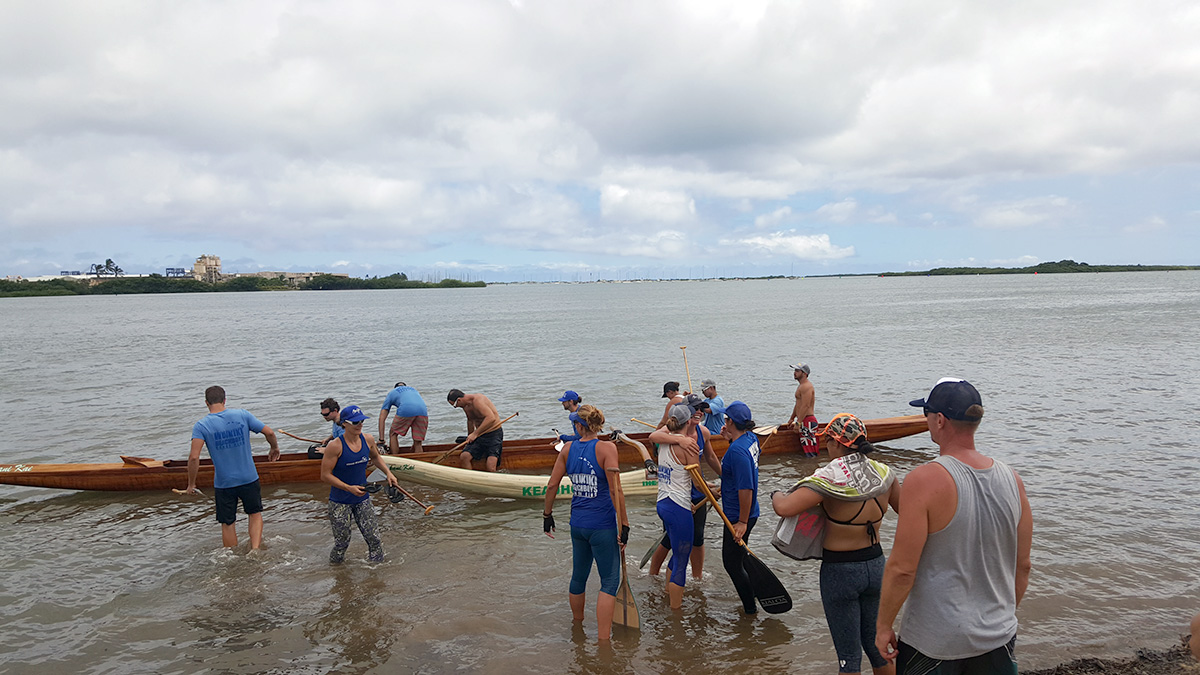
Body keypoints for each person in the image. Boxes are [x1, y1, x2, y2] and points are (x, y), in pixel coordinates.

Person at [875, 379, 1033, 674]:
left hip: (935, 643)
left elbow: (902, 569)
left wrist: (883, 626)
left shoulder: (923, 480)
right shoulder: (1014, 480)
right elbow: (1022, 566)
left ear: (939, 420)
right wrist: (1000, 615)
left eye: (926, 415)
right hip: (999, 635)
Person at [772, 413, 900, 675]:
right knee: (877, 649)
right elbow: (908, 511)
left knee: (849, 657)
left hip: (841, 571)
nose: (824, 447)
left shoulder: (829, 477)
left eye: (826, 441)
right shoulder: (885, 473)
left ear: (836, 443)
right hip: (877, 566)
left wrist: (776, 493)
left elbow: (785, 508)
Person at [542, 404, 631, 640]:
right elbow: (616, 490)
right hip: (601, 525)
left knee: (578, 576)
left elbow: (552, 485)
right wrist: (625, 524)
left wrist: (547, 515)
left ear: (580, 426)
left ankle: (578, 628)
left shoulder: (567, 449)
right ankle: (603, 641)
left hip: (577, 525)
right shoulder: (607, 448)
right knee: (609, 582)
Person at [186, 385, 281, 550]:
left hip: (224, 483)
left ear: (206, 403)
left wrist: (191, 484)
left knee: (228, 522)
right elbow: (270, 433)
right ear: (224, 400)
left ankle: (231, 554)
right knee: (254, 514)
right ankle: (255, 549)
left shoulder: (201, 426)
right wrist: (274, 448)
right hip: (249, 477)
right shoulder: (242, 415)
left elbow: (194, 457)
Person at [646, 394, 722, 580]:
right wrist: (679, 440)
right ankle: (653, 574)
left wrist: (725, 476)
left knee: (698, 537)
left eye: (701, 408)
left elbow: (711, 457)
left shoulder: (703, 432)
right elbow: (653, 436)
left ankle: (697, 578)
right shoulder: (674, 429)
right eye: (694, 408)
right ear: (686, 412)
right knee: (669, 539)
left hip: (698, 490)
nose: (698, 412)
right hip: (676, 494)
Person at [321, 405, 400, 563]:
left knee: (374, 539)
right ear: (344, 424)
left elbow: (376, 458)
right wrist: (348, 487)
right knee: (342, 543)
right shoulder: (335, 446)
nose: (360, 425)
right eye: (355, 422)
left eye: (362, 421)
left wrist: (388, 473)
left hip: (362, 499)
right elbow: (325, 475)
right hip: (340, 502)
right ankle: (337, 573)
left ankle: (376, 574)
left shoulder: (368, 439)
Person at [650, 403, 703, 610]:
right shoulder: (689, 445)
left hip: (664, 503)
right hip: (678, 507)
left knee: (676, 554)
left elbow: (655, 435)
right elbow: (697, 482)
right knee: (681, 561)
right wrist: (715, 490)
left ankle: (667, 592)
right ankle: (676, 613)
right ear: (689, 421)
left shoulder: (663, 441)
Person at [718, 400, 762, 615]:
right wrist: (729, 439)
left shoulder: (737, 452)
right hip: (748, 511)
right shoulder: (750, 438)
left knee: (732, 564)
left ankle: (750, 610)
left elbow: (746, 489)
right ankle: (751, 595)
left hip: (738, 515)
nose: (724, 422)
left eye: (726, 419)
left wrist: (742, 522)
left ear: (731, 422)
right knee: (740, 559)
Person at [447, 389, 504, 472]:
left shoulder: (478, 400)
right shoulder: (465, 406)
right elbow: (470, 420)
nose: (456, 407)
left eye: (455, 405)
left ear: (459, 400)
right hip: (480, 435)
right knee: (464, 456)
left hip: (494, 434)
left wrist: (475, 434)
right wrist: (470, 436)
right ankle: (470, 479)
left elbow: (491, 418)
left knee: (490, 467)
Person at [378, 382, 429, 454]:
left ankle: (395, 460)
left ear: (395, 387)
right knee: (418, 441)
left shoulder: (392, 392)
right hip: (423, 410)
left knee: (393, 434)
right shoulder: (413, 390)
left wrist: (381, 439)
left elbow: (382, 418)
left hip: (406, 408)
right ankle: (419, 460)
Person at [787, 363, 819, 457]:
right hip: (803, 420)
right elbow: (798, 404)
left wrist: (798, 423)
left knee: (810, 452)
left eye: (797, 371)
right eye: (795, 371)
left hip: (808, 421)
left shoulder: (807, 386)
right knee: (806, 450)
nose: (794, 373)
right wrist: (792, 418)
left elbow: (805, 405)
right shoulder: (801, 386)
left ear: (804, 373)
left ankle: (811, 469)